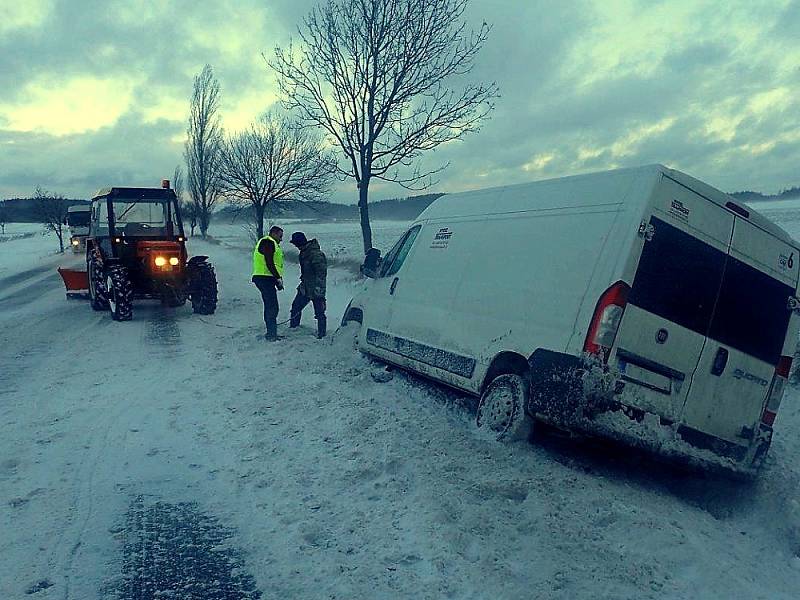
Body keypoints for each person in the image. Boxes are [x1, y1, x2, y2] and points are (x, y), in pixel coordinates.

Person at [288, 231, 328, 339]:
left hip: (316, 288)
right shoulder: (304, 253)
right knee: (296, 307)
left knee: (320, 313)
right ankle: (294, 328)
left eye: (296, 244)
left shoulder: (316, 254)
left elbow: (321, 273)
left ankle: (322, 335)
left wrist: (319, 290)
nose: (296, 246)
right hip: (305, 287)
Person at [252, 225, 284, 341]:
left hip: (265, 278)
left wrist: (277, 281)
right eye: (280, 236)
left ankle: (271, 333)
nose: (281, 239)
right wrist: (277, 278)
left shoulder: (268, 243)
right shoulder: (268, 242)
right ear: (274, 233)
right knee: (272, 307)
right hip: (264, 278)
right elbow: (269, 262)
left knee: (270, 305)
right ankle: (271, 335)